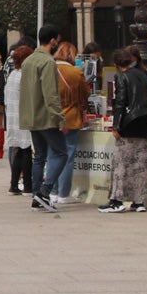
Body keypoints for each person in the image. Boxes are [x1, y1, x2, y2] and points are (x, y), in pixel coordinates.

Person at [99, 47, 147, 213]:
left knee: (121, 163)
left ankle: (116, 199)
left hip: (129, 124)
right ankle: (139, 201)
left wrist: (116, 125)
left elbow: (120, 103)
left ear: (117, 63)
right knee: (141, 164)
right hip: (145, 123)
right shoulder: (143, 75)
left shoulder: (121, 77)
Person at [19, 24, 67, 212]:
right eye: (58, 40)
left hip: (31, 115)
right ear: (53, 40)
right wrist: (60, 118)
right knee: (61, 153)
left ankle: (36, 195)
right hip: (46, 116)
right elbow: (51, 94)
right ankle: (44, 192)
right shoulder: (47, 62)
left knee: (39, 156)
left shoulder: (28, 61)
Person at [53, 41, 90, 205]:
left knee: (52, 155)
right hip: (70, 118)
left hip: (51, 118)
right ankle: (63, 192)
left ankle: (52, 191)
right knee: (68, 156)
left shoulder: (49, 70)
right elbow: (85, 94)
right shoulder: (76, 72)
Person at [4, 45, 34, 195]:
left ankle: (14, 184)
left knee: (19, 151)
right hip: (23, 116)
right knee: (26, 150)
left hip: (12, 116)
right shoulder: (25, 74)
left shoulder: (12, 74)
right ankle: (28, 185)